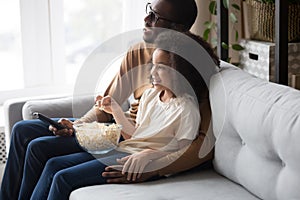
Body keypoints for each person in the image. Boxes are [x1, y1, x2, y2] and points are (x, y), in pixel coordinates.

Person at [0, 0, 219, 199]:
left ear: (178, 30)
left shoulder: (190, 74)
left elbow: (200, 145)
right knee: (22, 130)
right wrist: (79, 125)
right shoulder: (138, 53)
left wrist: (154, 166)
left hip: (135, 143)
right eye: (148, 10)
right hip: (124, 130)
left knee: (43, 153)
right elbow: (106, 104)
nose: (146, 19)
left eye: (155, 17)